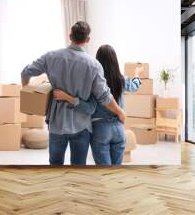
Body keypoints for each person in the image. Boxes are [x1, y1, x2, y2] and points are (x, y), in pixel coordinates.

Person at [21, 22, 125, 166]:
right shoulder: (94, 65)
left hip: (57, 124)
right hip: (81, 126)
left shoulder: (51, 57)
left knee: (55, 165)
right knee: (78, 167)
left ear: (70, 36)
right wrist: (120, 112)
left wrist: (28, 96)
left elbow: (25, 72)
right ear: (88, 40)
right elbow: (104, 96)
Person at [53, 45, 143, 165]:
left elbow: (89, 107)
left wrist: (67, 97)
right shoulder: (121, 79)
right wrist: (137, 74)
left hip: (101, 129)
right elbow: (134, 86)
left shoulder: (94, 82)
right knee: (115, 173)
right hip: (119, 129)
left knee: (104, 174)